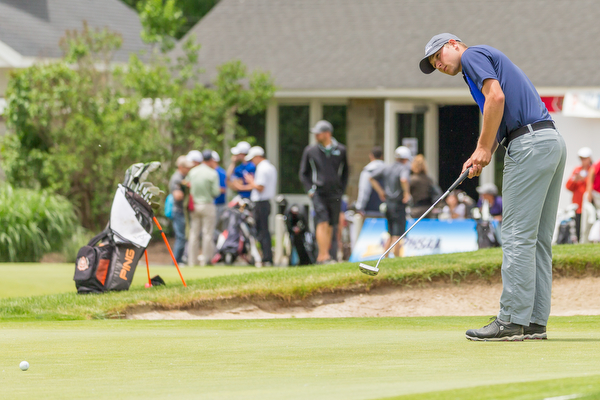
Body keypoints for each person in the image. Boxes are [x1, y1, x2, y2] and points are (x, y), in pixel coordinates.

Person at [420, 33, 566, 341]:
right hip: (549, 141)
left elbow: (495, 99)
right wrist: (481, 156)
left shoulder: (473, 56)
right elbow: (500, 115)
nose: (438, 64)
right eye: (433, 63)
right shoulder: (480, 66)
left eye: (438, 56)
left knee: (514, 235)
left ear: (453, 44)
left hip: (528, 144)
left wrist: (483, 147)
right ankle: (534, 321)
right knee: (537, 239)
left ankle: (512, 319)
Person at [299, 120, 348, 264]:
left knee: (332, 224)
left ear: (327, 134)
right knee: (322, 221)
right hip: (318, 192)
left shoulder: (341, 150)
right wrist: (310, 189)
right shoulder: (310, 151)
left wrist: (341, 189)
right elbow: (303, 173)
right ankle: (323, 255)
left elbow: (345, 172)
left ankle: (330, 255)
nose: (316, 136)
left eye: (318, 133)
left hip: (335, 193)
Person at [369, 146, 412, 258]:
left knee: (390, 233)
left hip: (388, 204)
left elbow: (371, 178)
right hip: (398, 204)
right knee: (397, 235)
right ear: (405, 158)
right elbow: (403, 179)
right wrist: (406, 193)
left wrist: (381, 192)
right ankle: (396, 259)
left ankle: (385, 257)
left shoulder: (387, 167)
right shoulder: (403, 168)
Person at [244, 146, 278, 265]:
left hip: (261, 203)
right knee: (263, 230)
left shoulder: (262, 168)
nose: (252, 162)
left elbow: (260, 187)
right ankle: (266, 256)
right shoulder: (270, 167)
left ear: (258, 156)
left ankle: (267, 257)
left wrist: (250, 181)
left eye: (253, 159)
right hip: (265, 202)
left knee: (262, 231)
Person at [187, 152, 221, 267]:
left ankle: (192, 261)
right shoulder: (212, 173)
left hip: (194, 205)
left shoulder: (193, 171)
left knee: (194, 234)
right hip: (207, 205)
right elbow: (215, 192)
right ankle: (206, 260)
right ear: (211, 160)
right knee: (207, 234)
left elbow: (188, 186)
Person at [168, 155, 193, 264]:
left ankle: (179, 260)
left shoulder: (183, 178)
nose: (188, 169)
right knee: (181, 237)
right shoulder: (177, 178)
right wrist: (186, 188)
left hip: (182, 211)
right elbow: (177, 196)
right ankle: (176, 262)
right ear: (180, 167)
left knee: (184, 237)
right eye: (186, 167)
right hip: (178, 211)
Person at [566, 147, 593, 241]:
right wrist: (575, 180)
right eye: (581, 159)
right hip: (578, 206)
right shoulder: (577, 170)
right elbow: (568, 186)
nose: (583, 161)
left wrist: (584, 180)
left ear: (589, 158)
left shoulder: (593, 170)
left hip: (589, 205)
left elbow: (595, 186)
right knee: (577, 229)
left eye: (585, 158)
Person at [355, 146, 386, 215]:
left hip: (370, 211)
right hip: (385, 209)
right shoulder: (387, 169)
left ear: (371, 156)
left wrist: (360, 207)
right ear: (382, 156)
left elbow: (364, 190)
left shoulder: (367, 171)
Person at [409, 154, 439, 219]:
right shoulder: (428, 179)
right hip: (428, 210)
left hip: (416, 210)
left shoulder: (412, 179)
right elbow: (438, 193)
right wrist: (435, 206)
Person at [208, 150, 228, 224]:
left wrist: (209, 189)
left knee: (213, 226)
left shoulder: (220, 172)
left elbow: (223, 189)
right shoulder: (210, 171)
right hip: (212, 204)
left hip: (219, 204)